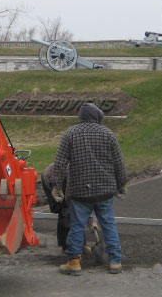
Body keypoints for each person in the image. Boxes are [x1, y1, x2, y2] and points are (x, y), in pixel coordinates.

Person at [53, 103, 127, 275]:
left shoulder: (70, 133)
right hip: (105, 190)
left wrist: (57, 186)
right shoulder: (108, 134)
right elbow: (119, 162)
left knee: (77, 227)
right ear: (97, 116)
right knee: (108, 225)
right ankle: (115, 262)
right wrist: (121, 184)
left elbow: (60, 163)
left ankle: (74, 262)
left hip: (80, 191)